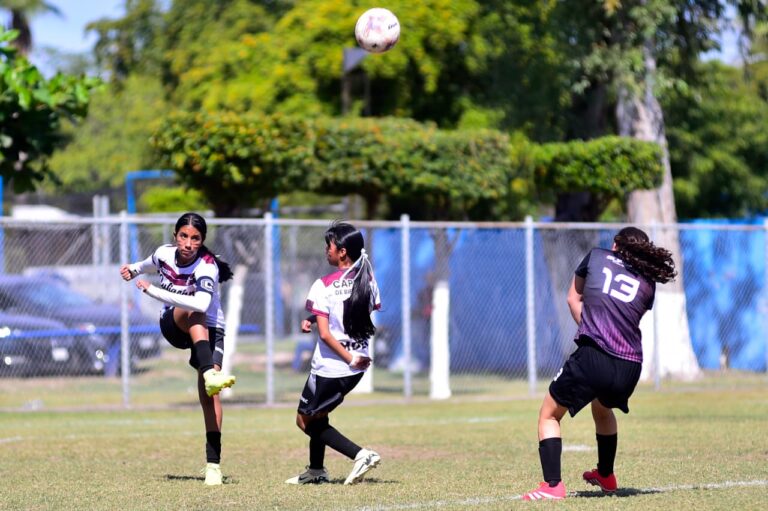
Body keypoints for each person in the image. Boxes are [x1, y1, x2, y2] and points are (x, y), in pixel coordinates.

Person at [523, 227, 676, 500]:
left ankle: (553, 486)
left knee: (548, 415)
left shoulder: (596, 256)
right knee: (603, 409)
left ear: (616, 245)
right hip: (630, 365)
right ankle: (606, 475)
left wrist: (592, 330)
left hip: (595, 357)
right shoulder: (648, 282)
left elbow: (573, 298)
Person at [119, 212, 236, 486]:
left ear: (202, 241)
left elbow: (203, 305)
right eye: (183, 236)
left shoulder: (207, 266)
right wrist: (132, 270)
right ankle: (210, 372)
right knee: (192, 311)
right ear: (175, 237)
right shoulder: (164, 254)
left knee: (211, 398)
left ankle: (213, 466)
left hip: (211, 330)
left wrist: (152, 291)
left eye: (195, 238)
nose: (188, 243)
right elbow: (145, 265)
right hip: (174, 323)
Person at [285, 221, 382, 485]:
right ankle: (316, 471)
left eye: (328, 245)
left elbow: (328, 334)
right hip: (356, 367)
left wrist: (344, 354)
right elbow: (348, 311)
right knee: (320, 415)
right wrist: (314, 317)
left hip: (331, 367)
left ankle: (361, 454)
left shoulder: (323, 285)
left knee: (304, 421)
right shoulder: (368, 281)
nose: (325, 250)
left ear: (341, 252)